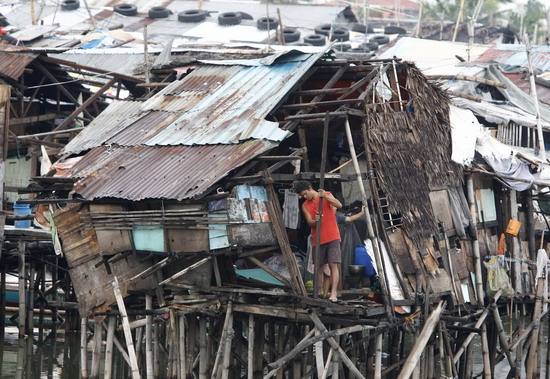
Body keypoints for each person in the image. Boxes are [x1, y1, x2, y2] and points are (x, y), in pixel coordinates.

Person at [294, 180, 342, 302]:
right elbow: (310, 222)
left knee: (333, 265)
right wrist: (316, 221)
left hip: (332, 235)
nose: (305, 197)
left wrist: (325, 196)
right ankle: (319, 292)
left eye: (305, 193)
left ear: (310, 188)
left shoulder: (326, 195)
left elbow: (339, 205)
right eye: (302, 196)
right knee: (319, 268)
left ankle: (334, 293)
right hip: (318, 239)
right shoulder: (305, 205)